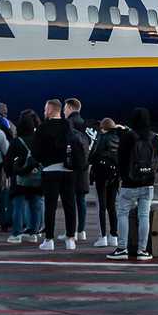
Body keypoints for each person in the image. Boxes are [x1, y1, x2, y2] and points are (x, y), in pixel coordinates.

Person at [109, 107, 158, 261]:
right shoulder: (155, 138)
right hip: (148, 183)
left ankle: (122, 248)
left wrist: (124, 176)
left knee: (123, 214)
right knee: (144, 215)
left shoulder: (127, 137)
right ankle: (142, 250)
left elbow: (120, 159)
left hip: (129, 183)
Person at [34, 98, 77, 250]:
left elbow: (36, 152)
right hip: (68, 170)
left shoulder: (43, 127)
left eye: (46, 109)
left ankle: (49, 240)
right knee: (70, 205)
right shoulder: (68, 125)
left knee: (50, 206)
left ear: (51, 110)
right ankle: (71, 239)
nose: (44, 112)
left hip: (50, 170)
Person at [5, 111, 43, 244]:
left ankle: (16, 234)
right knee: (36, 205)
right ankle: (33, 233)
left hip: (20, 179)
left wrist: (10, 174)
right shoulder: (39, 140)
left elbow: (8, 161)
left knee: (18, 206)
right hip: (37, 178)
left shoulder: (17, 141)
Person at [90, 117, 123, 248]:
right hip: (115, 176)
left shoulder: (102, 138)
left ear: (103, 128)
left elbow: (93, 155)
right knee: (112, 206)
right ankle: (114, 235)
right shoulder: (119, 139)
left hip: (101, 175)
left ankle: (102, 236)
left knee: (101, 207)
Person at [64, 98, 92, 240]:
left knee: (71, 201)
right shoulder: (86, 125)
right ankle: (81, 230)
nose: (64, 111)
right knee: (81, 200)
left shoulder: (69, 124)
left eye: (65, 108)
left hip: (72, 168)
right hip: (84, 168)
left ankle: (71, 231)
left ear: (69, 107)